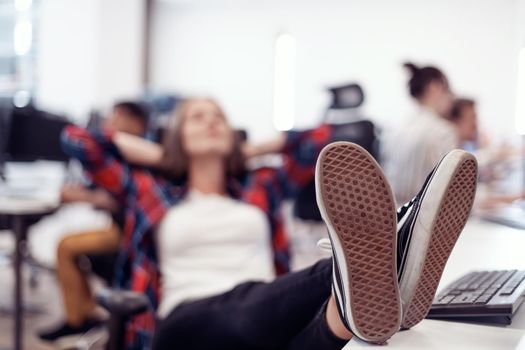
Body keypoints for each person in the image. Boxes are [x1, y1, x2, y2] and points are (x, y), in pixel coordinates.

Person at [61, 98, 478, 349]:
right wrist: (161, 155)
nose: (210, 122)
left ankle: (345, 308)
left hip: (263, 313)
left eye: (218, 118)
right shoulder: (149, 189)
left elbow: (331, 136)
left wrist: (250, 148)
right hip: (185, 323)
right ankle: (394, 252)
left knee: (317, 335)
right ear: (175, 136)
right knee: (245, 312)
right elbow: (78, 140)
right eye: (196, 118)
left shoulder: (260, 185)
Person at [36, 101, 149, 342]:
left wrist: (86, 196)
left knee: (66, 246)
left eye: (116, 117)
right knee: (67, 245)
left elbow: (124, 197)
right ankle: (83, 313)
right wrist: (87, 193)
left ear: (135, 122)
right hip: (118, 228)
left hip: (129, 234)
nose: (110, 123)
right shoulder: (119, 155)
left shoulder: (144, 157)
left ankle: (79, 318)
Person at [382, 62, 458, 204]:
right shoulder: (442, 132)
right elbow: (449, 188)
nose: (450, 101)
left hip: (394, 215)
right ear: (435, 87)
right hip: (425, 219)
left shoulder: (392, 128)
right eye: (449, 92)